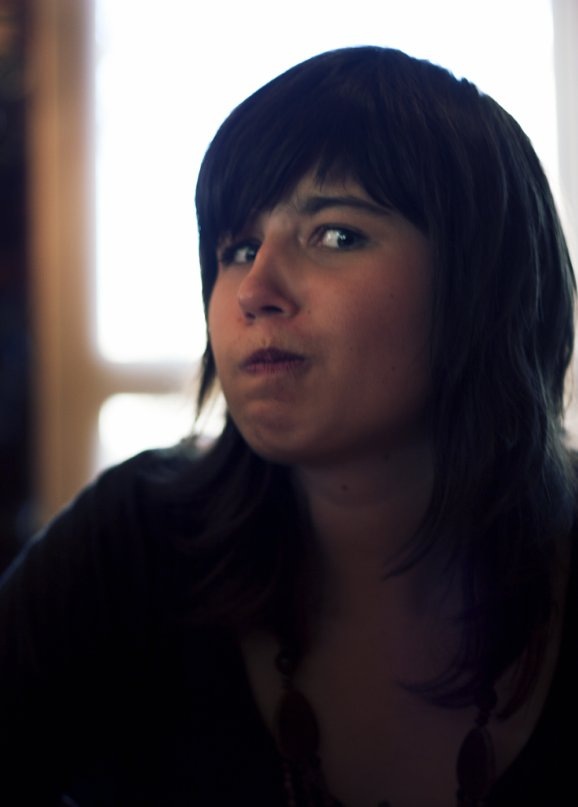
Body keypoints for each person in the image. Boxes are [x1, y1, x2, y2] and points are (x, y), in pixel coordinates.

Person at [0, 46, 576, 807]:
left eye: (335, 234)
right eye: (237, 248)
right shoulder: (133, 545)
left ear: (484, 283)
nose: (253, 288)